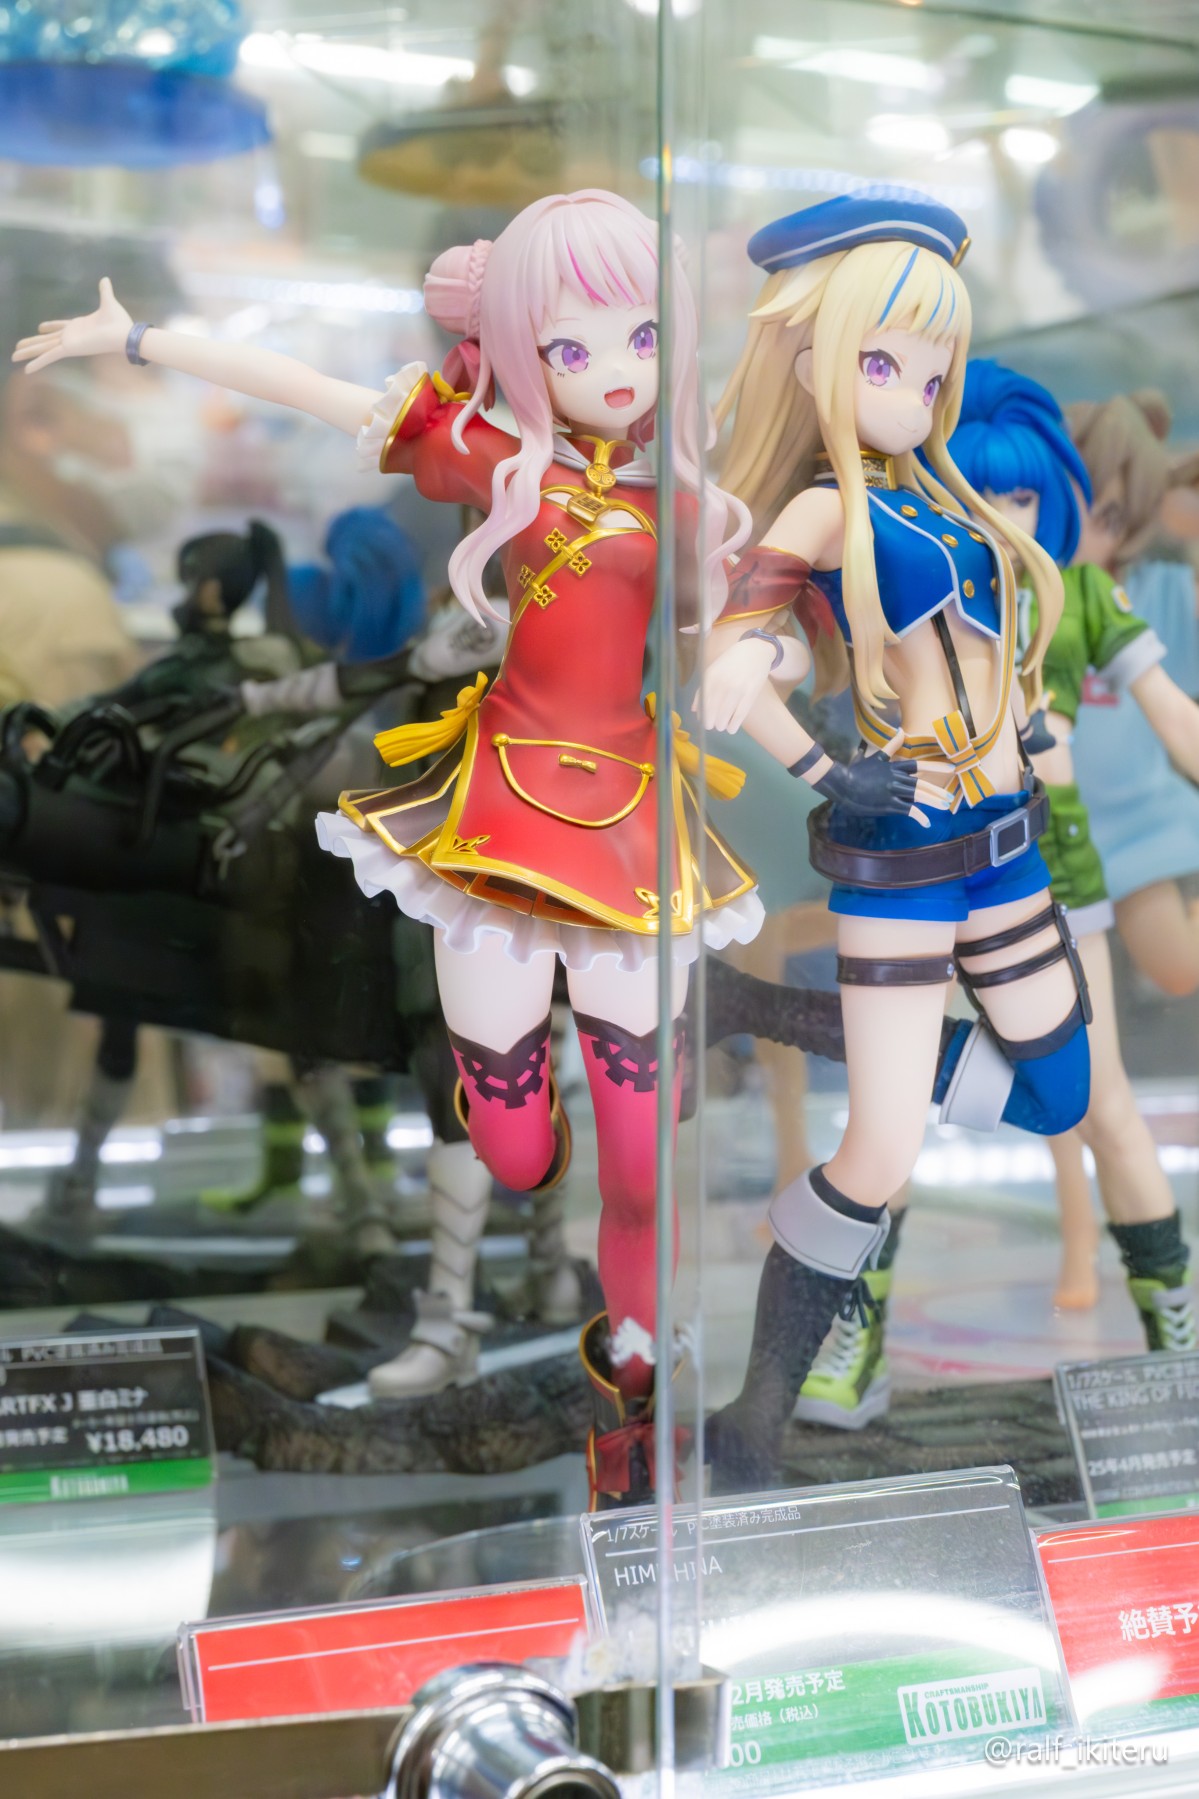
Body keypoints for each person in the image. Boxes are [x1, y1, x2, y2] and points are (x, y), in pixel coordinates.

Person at [15, 190, 762, 1508]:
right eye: (572, 345)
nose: (614, 370)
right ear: (525, 350)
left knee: (644, 1168)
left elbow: (763, 618)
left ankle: (630, 1383)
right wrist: (139, 342)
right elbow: (315, 394)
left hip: (635, 833)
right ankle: (521, 1142)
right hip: (495, 826)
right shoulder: (496, 460)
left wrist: (766, 663)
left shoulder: (685, 503)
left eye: (643, 337)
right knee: (516, 1147)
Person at [693, 191, 1090, 1493]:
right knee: (878, 1153)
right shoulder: (819, 513)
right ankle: (757, 1414)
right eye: (884, 364)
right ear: (813, 353)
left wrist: (1030, 731)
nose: (914, 397)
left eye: (931, 372)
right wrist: (831, 773)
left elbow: (994, 653)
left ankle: (762, 1007)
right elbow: (732, 664)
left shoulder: (951, 500)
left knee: (1059, 1093)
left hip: (1006, 840)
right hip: (906, 851)